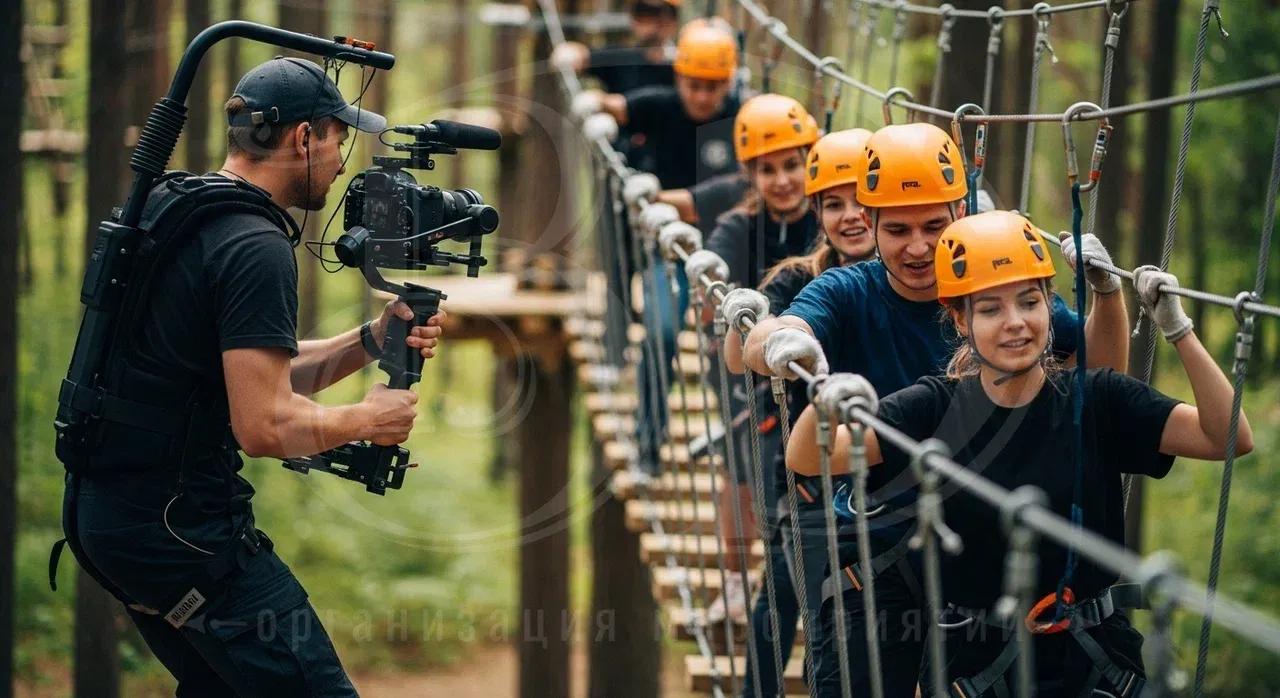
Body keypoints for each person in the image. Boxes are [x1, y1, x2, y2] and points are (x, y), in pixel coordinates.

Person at [54, 57, 442, 696]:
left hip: (111, 517)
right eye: (339, 138)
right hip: (182, 532)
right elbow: (263, 424)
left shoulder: (183, 208)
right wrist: (372, 419)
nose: (343, 157)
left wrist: (371, 339)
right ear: (302, 138)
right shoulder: (254, 245)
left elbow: (259, 373)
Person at [786, 210, 1253, 697]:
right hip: (977, 669)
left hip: (1095, 662)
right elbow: (811, 458)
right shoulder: (932, 409)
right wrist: (824, 404)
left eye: (1030, 302)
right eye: (990, 310)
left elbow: (1229, 437)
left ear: (1050, 308)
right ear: (960, 319)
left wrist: (1179, 332)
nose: (1016, 324)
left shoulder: (1098, 400)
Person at [741, 122, 1132, 698]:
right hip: (867, 539)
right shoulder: (847, 291)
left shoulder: (992, 286)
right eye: (897, 229)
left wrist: (1106, 294)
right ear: (870, 226)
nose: (918, 247)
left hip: (969, 539)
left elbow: (1100, 372)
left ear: (960, 213)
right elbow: (769, 339)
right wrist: (779, 340)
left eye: (934, 226)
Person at [718, 127, 876, 695]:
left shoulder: (915, 277)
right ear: (819, 213)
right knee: (790, 586)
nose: (851, 216)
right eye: (835, 204)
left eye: (862, 200)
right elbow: (741, 360)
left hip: (884, 467)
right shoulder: (798, 277)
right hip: (805, 464)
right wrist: (749, 320)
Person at [580, 20, 741, 472]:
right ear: (679, 78)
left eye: (714, 87)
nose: (704, 96)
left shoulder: (743, 118)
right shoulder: (660, 106)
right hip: (666, 246)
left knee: (730, 348)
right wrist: (593, 108)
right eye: (695, 85)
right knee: (662, 333)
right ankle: (648, 447)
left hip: (729, 249)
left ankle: (738, 446)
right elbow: (611, 104)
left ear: (728, 83)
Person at [696, 93, 821, 633]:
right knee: (743, 465)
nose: (782, 180)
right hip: (742, 361)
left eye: (792, 165)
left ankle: (809, 583)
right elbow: (711, 278)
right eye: (768, 170)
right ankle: (732, 580)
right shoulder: (739, 227)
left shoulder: (830, 220)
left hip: (809, 361)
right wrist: (712, 292)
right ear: (751, 174)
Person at [551, 0, 681, 172]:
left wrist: (602, 101)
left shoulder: (683, 69)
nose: (653, 23)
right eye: (643, 12)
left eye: (661, 14)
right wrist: (567, 55)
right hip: (622, 161)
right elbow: (582, 57)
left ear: (673, 20)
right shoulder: (622, 60)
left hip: (671, 161)